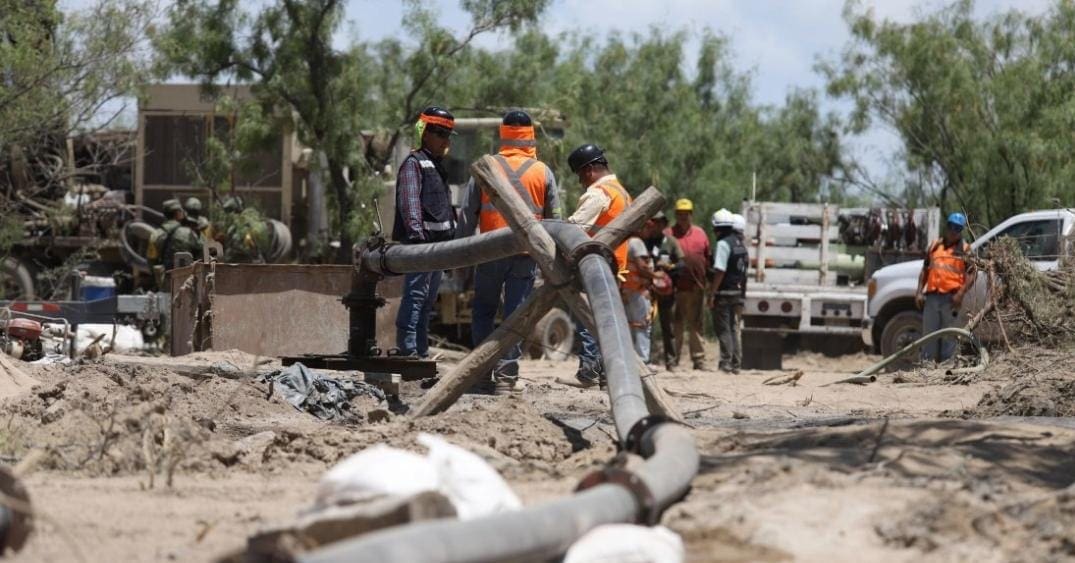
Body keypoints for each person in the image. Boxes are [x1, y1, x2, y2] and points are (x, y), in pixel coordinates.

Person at [457, 110, 561, 393]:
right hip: (526, 257)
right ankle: (506, 376)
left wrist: (460, 259)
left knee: (483, 313)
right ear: (530, 136)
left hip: (489, 253)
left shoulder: (486, 166)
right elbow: (556, 224)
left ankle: (480, 373)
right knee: (516, 315)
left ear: (502, 134)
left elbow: (467, 216)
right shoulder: (543, 173)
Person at [391, 106, 457, 358]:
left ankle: (420, 350)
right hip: (422, 245)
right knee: (416, 296)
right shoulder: (414, 163)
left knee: (428, 301)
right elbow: (409, 204)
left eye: (448, 135)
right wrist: (418, 239)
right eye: (440, 133)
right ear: (425, 134)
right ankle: (407, 349)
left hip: (439, 247)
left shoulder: (436, 166)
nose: (445, 140)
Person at [565, 143, 632, 386]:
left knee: (588, 318)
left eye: (581, 174)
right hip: (615, 265)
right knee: (606, 320)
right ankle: (606, 375)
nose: (581, 181)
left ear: (591, 169)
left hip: (594, 264)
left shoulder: (599, 192)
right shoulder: (621, 191)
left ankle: (589, 372)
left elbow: (573, 228)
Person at [916, 212, 974, 362]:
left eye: (957, 228)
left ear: (961, 230)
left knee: (949, 336)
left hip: (951, 300)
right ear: (946, 226)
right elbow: (925, 270)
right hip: (932, 297)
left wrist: (961, 294)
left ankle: (946, 368)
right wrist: (918, 292)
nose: (953, 231)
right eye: (950, 227)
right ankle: (927, 367)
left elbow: (972, 274)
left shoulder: (965, 250)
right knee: (929, 335)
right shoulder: (935, 246)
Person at [669, 198, 711, 370]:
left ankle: (699, 360)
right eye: (679, 214)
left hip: (696, 288)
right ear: (676, 215)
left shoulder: (700, 233)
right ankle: (673, 360)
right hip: (674, 288)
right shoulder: (668, 234)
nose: (683, 217)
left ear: (691, 215)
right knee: (675, 325)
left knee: (696, 325)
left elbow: (708, 257)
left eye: (686, 214)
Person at [709, 210, 749, 373]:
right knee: (733, 328)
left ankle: (725, 362)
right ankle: (736, 364)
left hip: (724, 293)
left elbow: (720, 270)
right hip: (737, 292)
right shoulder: (740, 244)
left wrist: (712, 293)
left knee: (724, 328)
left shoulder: (723, 244)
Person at [643, 212, 684, 370]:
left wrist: (670, 267)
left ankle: (671, 362)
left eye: (660, 223)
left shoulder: (671, 242)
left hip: (667, 292)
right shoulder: (645, 241)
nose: (656, 226)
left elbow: (682, 264)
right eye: (654, 222)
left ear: (664, 225)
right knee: (647, 325)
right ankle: (646, 360)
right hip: (648, 290)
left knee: (669, 327)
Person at [623, 227, 657, 364]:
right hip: (639, 291)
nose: (649, 229)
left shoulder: (624, 242)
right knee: (643, 325)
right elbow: (642, 267)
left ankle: (630, 360)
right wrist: (657, 277)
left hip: (626, 291)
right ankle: (643, 361)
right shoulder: (637, 242)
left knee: (630, 325)